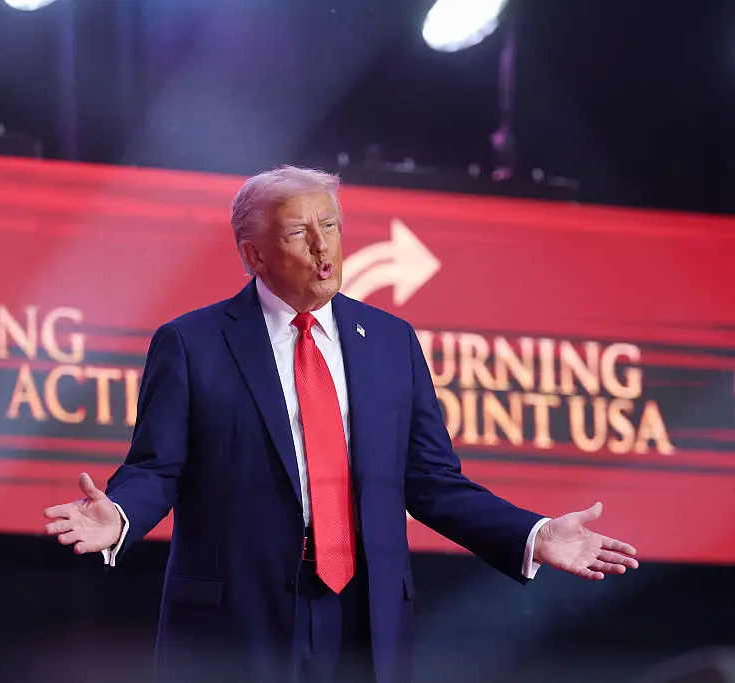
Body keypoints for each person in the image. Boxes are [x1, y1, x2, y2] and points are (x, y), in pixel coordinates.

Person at [43, 165, 639, 683]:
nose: (324, 247)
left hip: (365, 612)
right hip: (238, 617)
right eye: (299, 232)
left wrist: (531, 534)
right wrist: (119, 515)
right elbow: (158, 467)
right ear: (253, 253)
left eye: (330, 225)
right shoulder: (192, 343)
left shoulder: (389, 341)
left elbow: (430, 480)